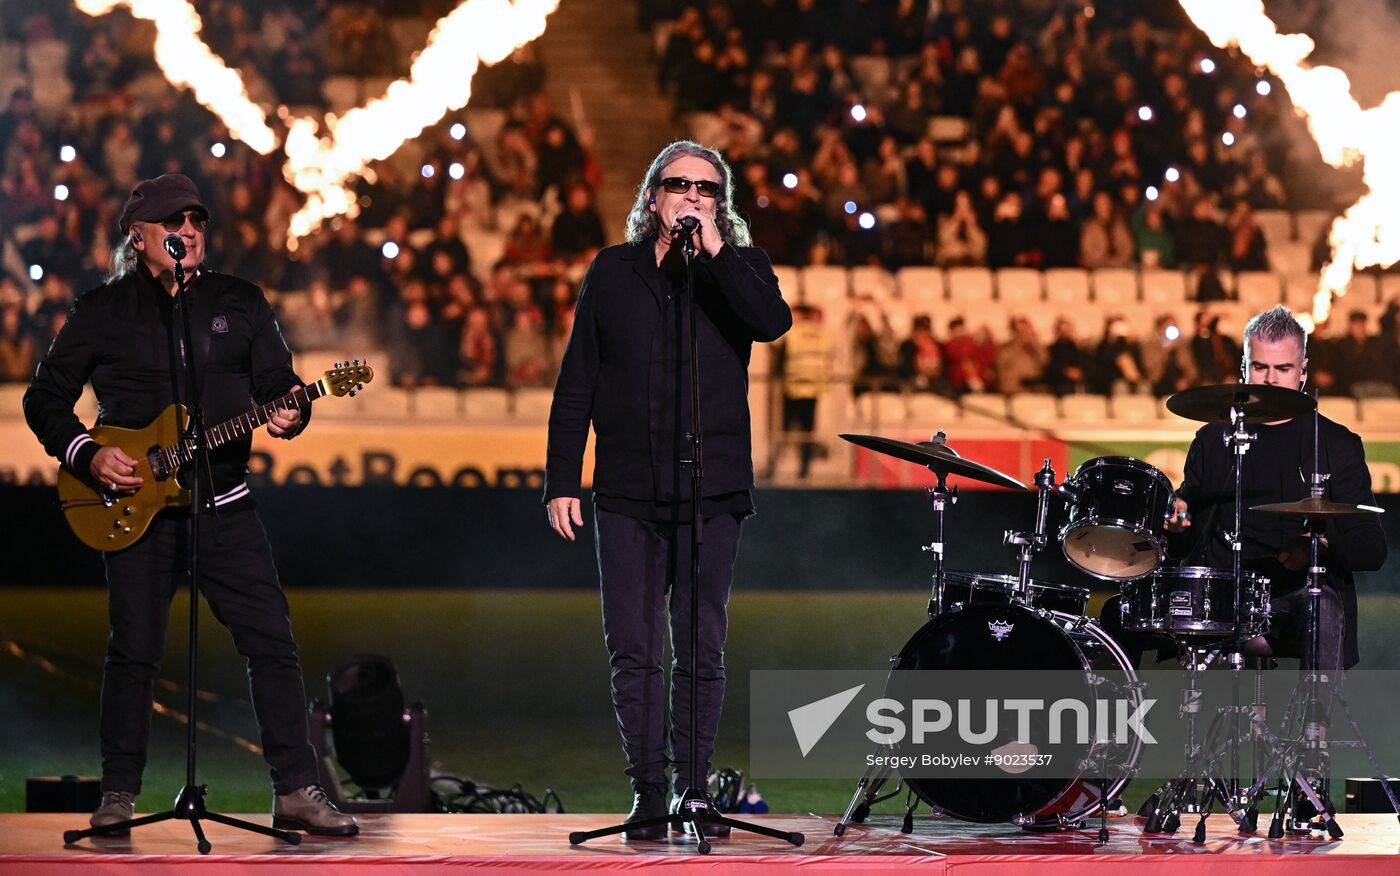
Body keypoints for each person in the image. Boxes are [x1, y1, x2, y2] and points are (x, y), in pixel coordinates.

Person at [22, 174, 356, 837]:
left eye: (198, 220)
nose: (191, 230)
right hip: (137, 516)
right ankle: (118, 793)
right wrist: (88, 453)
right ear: (139, 236)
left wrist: (295, 408)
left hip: (225, 508)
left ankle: (296, 788)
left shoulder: (240, 301)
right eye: (174, 220)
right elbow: (45, 399)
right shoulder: (103, 310)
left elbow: (277, 383)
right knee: (133, 655)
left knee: (272, 645)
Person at [544, 141, 791, 840]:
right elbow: (578, 380)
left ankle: (693, 788)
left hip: (711, 490)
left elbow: (773, 323)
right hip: (625, 489)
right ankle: (648, 791)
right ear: (652, 196)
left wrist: (715, 252)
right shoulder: (612, 270)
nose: (691, 196)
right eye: (678, 184)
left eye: (707, 189)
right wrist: (563, 478)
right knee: (635, 648)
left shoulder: (740, 269)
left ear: (722, 205)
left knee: (700, 647)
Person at [1163, 305, 1386, 672]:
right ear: (1244, 368)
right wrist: (1178, 525)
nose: (1270, 379)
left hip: (1299, 597)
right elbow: (1185, 538)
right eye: (1260, 367)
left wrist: (1320, 544)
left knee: (1323, 607)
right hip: (1225, 595)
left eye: (1283, 369)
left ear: (1302, 371)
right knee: (1121, 616)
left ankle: (1314, 726)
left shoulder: (1336, 444)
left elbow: (1372, 548)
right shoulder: (1212, 439)